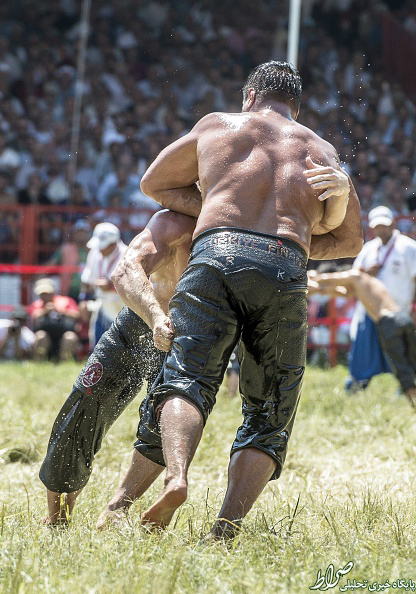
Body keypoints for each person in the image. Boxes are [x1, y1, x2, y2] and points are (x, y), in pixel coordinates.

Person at [39, 158, 349, 526]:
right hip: (142, 321)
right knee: (85, 404)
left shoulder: (255, 231)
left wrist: (340, 192)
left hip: (191, 332)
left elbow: (336, 240)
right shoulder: (172, 222)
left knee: (161, 423)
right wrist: (155, 316)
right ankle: (57, 517)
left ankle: (117, 508)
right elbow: (125, 270)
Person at [133, 61, 363, 537]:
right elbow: (350, 241)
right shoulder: (322, 150)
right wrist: (292, 243)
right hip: (285, 263)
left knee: (187, 378)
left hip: (215, 254)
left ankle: (176, 478)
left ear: (250, 96)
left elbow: (153, 183)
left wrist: (218, 210)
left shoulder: (217, 125)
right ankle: (226, 529)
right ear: (296, 107)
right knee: (270, 410)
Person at [308, 267, 416, 407]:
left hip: (388, 322)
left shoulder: (356, 275)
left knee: (400, 365)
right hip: (402, 317)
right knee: (412, 360)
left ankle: (413, 402)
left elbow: (330, 279)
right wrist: (317, 288)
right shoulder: (370, 283)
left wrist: (312, 277)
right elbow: (343, 293)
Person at [347, 205, 416, 391]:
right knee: (363, 352)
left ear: (393, 223)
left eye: (384, 225)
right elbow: (353, 277)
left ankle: (406, 388)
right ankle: (356, 386)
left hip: (399, 312)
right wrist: (366, 273)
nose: (381, 230)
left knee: (403, 354)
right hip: (369, 311)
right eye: (377, 226)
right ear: (372, 227)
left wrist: (414, 309)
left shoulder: (409, 248)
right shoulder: (368, 249)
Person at [80, 222, 127, 349]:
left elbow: (133, 286)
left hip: (123, 305)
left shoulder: (127, 255)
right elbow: (87, 279)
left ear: (113, 244)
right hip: (102, 302)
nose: (101, 249)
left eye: (104, 246)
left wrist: (111, 287)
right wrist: (84, 299)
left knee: (121, 345)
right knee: (98, 343)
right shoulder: (95, 253)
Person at [28, 278, 80, 362]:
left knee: (70, 337)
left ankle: (65, 362)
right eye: (42, 294)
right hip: (46, 335)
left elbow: (77, 315)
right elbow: (33, 317)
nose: (45, 296)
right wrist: (45, 311)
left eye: (47, 293)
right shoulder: (36, 305)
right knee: (40, 336)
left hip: (64, 332)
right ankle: (38, 362)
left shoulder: (66, 301)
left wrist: (62, 311)